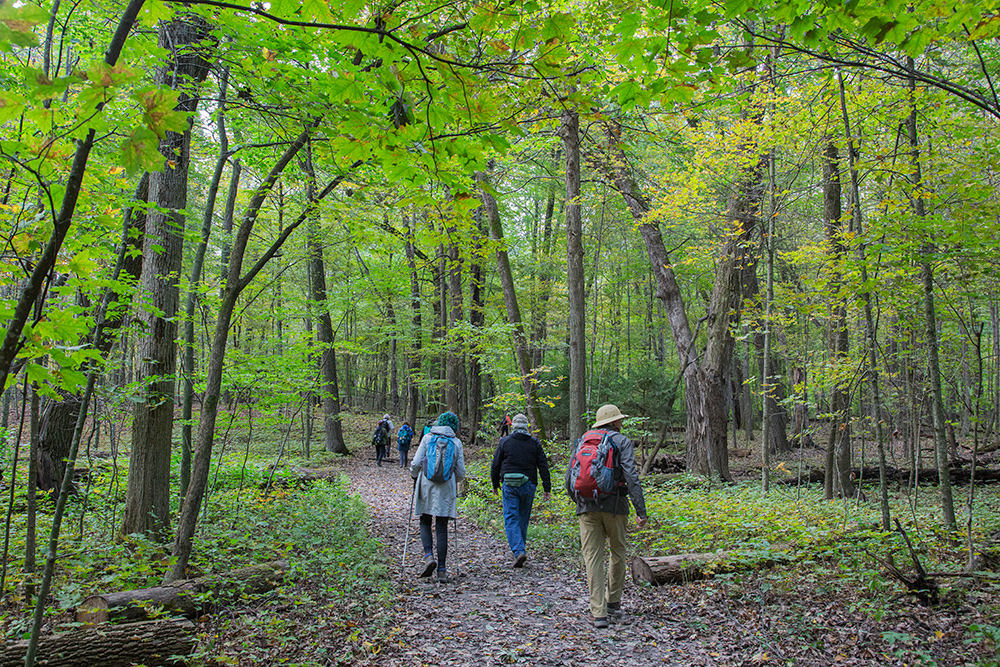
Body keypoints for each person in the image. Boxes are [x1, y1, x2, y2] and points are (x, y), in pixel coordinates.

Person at [565, 404, 647, 629]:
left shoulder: (584, 439)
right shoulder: (622, 441)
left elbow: (569, 477)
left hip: (586, 507)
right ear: (614, 422)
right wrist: (641, 510)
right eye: (620, 419)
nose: (622, 422)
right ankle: (613, 603)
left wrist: (581, 502)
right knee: (618, 552)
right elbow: (631, 475)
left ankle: (598, 613)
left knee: (592, 557)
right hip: (616, 507)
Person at [410, 411, 466, 583]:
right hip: (446, 488)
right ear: (454, 426)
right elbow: (461, 472)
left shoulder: (428, 438)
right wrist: (450, 480)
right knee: (442, 527)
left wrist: (414, 476)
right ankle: (442, 570)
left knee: (425, 520)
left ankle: (428, 556)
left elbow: (416, 463)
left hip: (426, 485)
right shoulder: (456, 442)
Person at [490, 413, 551, 568]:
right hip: (528, 484)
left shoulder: (505, 441)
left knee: (511, 518)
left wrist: (495, 484)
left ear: (513, 426)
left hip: (509, 484)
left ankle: (518, 551)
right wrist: (546, 488)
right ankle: (520, 550)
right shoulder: (534, 443)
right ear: (526, 427)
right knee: (523, 518)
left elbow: (495, 464)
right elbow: (543, 465)